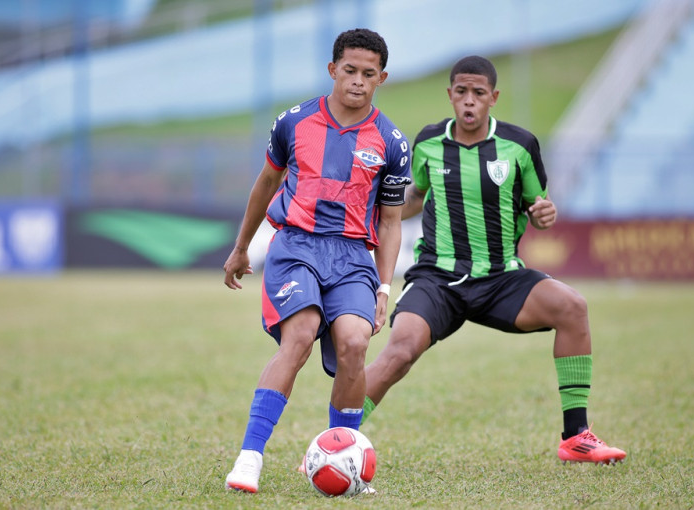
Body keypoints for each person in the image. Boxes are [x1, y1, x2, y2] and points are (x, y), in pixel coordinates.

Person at [361, 55, 625, 464]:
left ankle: (576, 437)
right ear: (450, 95)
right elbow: (415, 195)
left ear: (493, 98)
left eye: (478, 93)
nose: (469, 101)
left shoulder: (520, 146)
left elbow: (538, 204)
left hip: (501, 279)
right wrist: (375, 222)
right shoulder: (429, 143)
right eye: (461, 92)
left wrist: (545, 213)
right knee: (400, 348)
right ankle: (335, 436)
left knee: (572, 307)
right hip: (438, 278)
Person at [222, 28, 411, 493]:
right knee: (301, 334)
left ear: (382, 78)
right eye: (349, 71)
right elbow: (265, 185)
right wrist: (242, 246)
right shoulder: (294, 122)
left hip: (351, 258)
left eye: (369, 74)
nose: (358, 81)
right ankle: (249, 458)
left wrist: (385, 288)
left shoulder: (391, 142)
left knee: (353, 344)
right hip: (296, 246)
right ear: (333, 70)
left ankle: (341, 451)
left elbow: (390, 222)